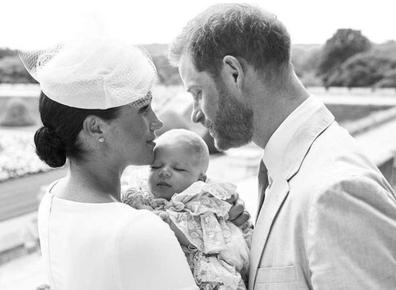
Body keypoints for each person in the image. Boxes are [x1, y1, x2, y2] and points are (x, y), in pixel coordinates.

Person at [169, 3, 396, 290]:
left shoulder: (336, 191)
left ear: (233, 73)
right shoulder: (289, 167)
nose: (195, 114)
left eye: (197, 93)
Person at [19, 37, 247, 290]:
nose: (157, 121)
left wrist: (211, 215)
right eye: (143, 109)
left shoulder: (53, 199)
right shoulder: (140, 228)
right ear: (96, 128)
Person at [122, 129, 253, 290]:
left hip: (198, 273)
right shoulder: (140, 193)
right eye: (155, 166)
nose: (164, 172)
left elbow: (198, 236)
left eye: (178, 169)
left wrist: (163, 220)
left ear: (200, 179)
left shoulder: (202, 202)